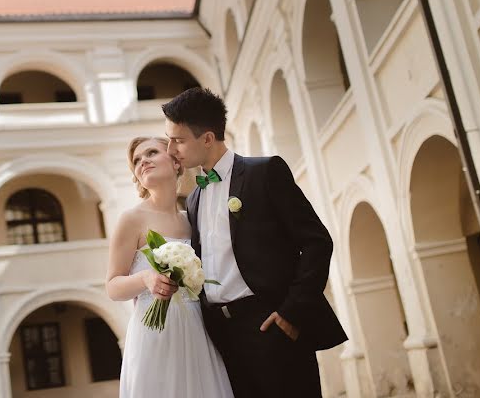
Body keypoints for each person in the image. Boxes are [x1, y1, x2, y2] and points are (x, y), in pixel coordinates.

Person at [162, 87, 347, 397]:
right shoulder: (193, 198)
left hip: (270, 325)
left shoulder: (265, 172)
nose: (170, 149)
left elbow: (316, 242)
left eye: (178, 140)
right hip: (220, 336)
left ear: (207, 138)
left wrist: (291, 312)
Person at [106, 136, 234, 397]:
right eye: (137, 161)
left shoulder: (193, 219)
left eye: (151, 153)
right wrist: (146, 278)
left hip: (199, 331)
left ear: (176, 162)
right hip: (154, 335)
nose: (143, 162)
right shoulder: (131, 219)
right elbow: (113, 287)